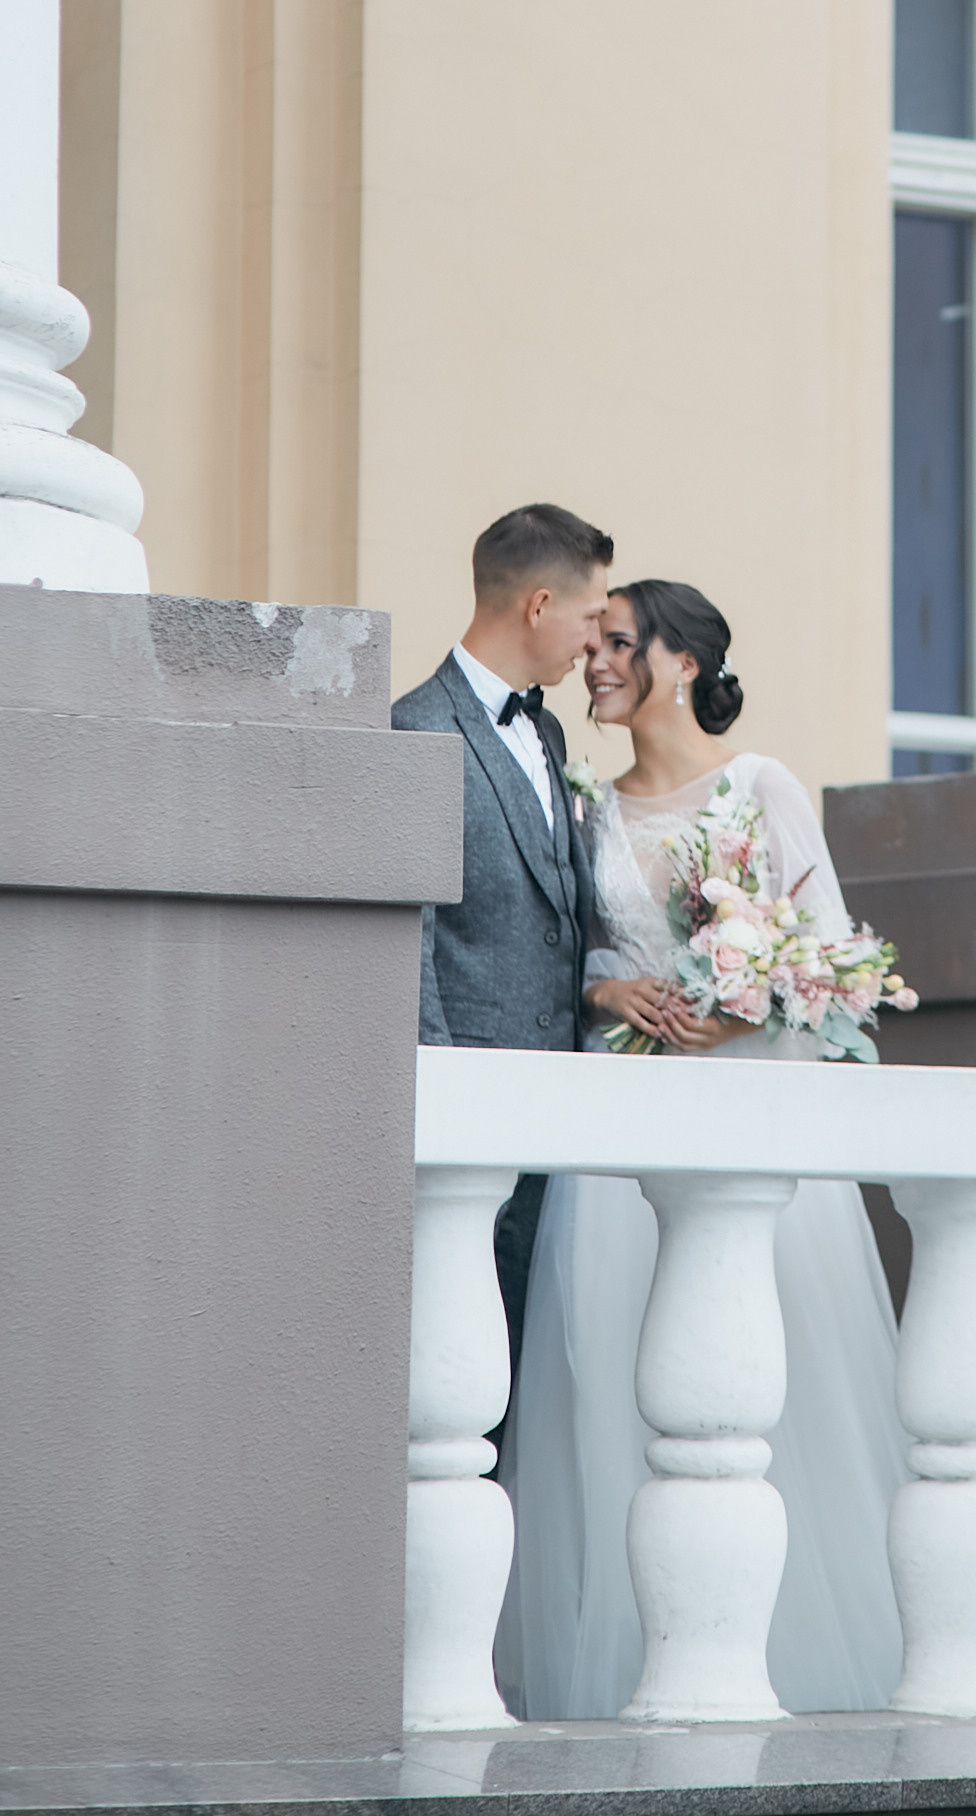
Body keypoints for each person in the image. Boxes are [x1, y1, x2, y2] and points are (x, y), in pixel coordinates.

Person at [495, 579, 909, 1721]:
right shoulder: (586, 810)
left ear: (682, 662)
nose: (595, 662)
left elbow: (833, 968)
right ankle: (634, 1671)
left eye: (618, 643)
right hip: (619, 1151)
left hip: (742, 1128)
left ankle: (794, 1669)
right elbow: (573, 963)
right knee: (613, 1394)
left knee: (770, 1398)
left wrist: (737, 1010)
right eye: (592, 645)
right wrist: (606, 992)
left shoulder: (759, 787)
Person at [395, 501, 613, 1374]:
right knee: (462, 1365)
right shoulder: (417, 728)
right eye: (590, 618)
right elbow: (412, 937)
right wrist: (447, 1100)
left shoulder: (547, 729)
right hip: (472, 1119)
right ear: (539, 605)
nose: (595, 644)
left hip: (559, 1111)